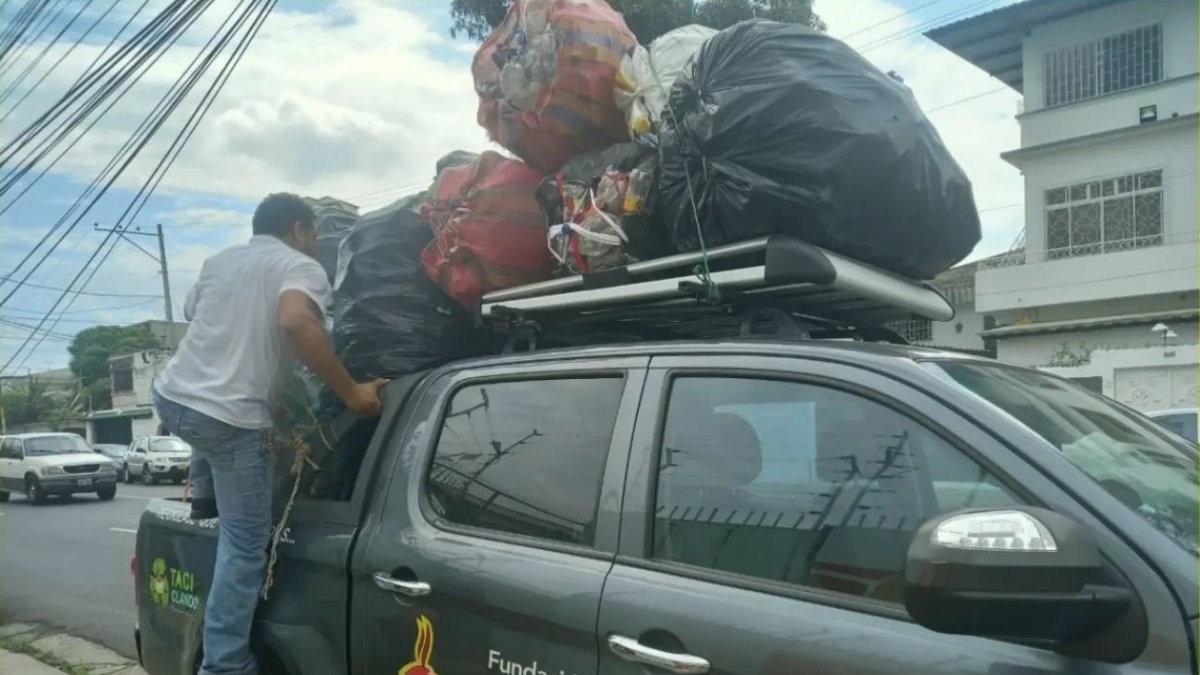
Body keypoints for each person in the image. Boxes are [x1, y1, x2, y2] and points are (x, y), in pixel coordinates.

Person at [153, 192, 385, 675]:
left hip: (173, 398)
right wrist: (351, 393)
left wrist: (260, 374)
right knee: (245, 543)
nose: (316, 242)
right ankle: (225, 666)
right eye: (313, 233)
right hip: (228, 422)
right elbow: (296, 321)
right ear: (298, 229)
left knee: (213, 433)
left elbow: (199, 314)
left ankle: (206, 494)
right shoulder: (300, 267)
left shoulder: (220, 261)